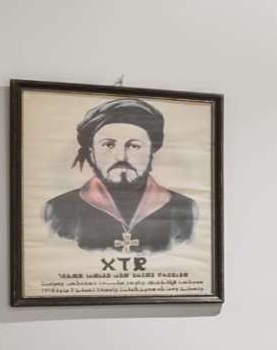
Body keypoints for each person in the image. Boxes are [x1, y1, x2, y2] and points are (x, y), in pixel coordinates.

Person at [40, 96, 196, 255]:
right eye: (108, 145)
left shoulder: (186, 209)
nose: (121, 157)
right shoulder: (57, 210)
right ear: (92, 153)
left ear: (151, 151)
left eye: (134, 145)